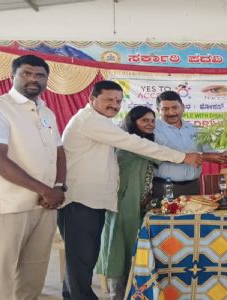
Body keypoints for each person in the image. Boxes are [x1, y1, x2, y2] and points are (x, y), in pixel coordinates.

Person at [59, 81, 203, 300]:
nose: (114, 105)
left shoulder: (101, 122)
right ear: (92, 99)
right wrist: (184, 157)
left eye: (118, 100)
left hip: (95, 200)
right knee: (82, 258)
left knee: (82, 259)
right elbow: (134, 144)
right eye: (109, 99)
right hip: (81, 201)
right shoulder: (90, 121)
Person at [0, 55, 66, 299]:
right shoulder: (1, 108)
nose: (33, 79)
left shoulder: (46, 111)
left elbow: (59, 152)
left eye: (40, 75)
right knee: (2, 273)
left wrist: (58, 187)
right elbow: (0, 160)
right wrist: (46, 190)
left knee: (34, 272)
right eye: (26, 73)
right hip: (10, 205)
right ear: (12, 76)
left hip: (45, 206)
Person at [95, 106, 161, 299]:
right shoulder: (129, 142)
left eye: (152, 120)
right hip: (123, 204)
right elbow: (160, 155)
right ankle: (118, 295)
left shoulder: (144, 142)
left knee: (134, 248)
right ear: (133, 123)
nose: (149, 124)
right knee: (122, 248)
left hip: (139, 202)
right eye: (144, 121)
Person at [152, 91, 227, 199]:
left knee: (193, 216)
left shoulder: (196, 130)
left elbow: (210, 153)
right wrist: (204, 156)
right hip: (164, 187)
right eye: (165, 109)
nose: (171, 112)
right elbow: (163, 152)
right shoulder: (153, 129)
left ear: (183, 107)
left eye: (175, 107)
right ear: (158, 110)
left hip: (193, 187)